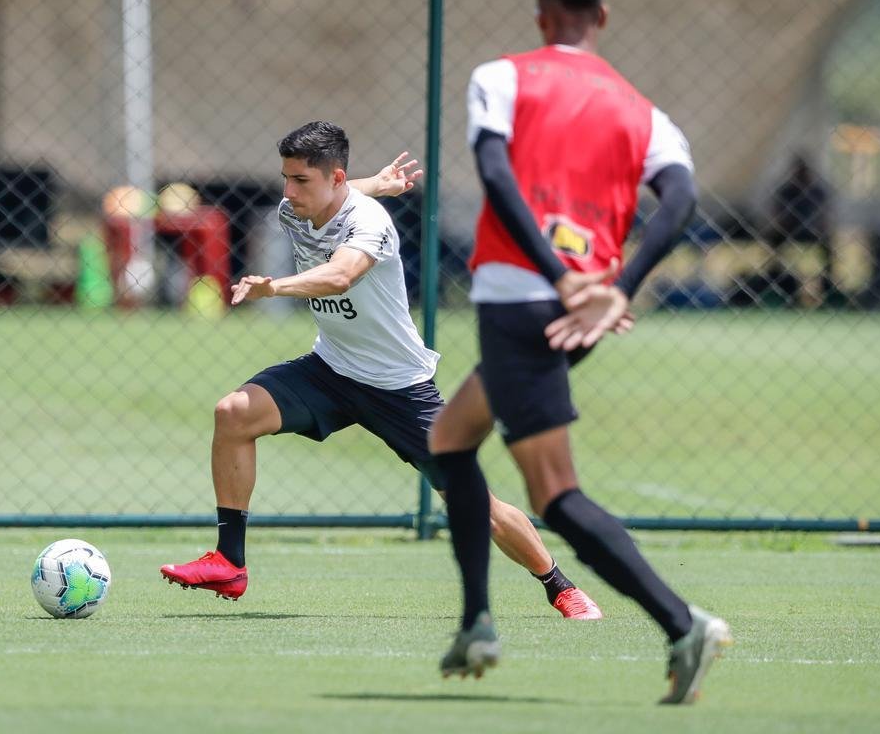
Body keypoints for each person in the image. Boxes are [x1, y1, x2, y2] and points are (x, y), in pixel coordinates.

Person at [430, 0, 732, 703]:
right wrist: (616, 287)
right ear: (601, 18)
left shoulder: (502, 76)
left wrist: (558, 274)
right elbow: (683, 198)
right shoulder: (642, 108)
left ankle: (681, 622)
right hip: (581, 311)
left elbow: (495, 177)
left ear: (540, 15)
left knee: (555, 491)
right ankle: (476, 620)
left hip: (523, 301)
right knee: (450, 438)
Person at [161, 121, 603, 621]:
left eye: (300, 179)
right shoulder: (296, 208)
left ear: (334, 177)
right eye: (285, 177)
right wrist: (378, 180)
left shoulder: (370, 223)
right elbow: (342, 191)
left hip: (399, 387)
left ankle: (559, 585)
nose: (287, 191)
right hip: (330, 370)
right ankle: (229, 562)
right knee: (234, 413)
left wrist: (274, 288)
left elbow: (341, 275)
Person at [766, 153, 835, 305]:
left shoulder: (817, 192)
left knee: (830, 247)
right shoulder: (787, 191)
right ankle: (777, 283)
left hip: (813, 233)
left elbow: (825, 216)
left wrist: (819, 227)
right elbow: (777, 215)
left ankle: (829, 287)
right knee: (773, 243)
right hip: (790, 231)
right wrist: (785, 225)